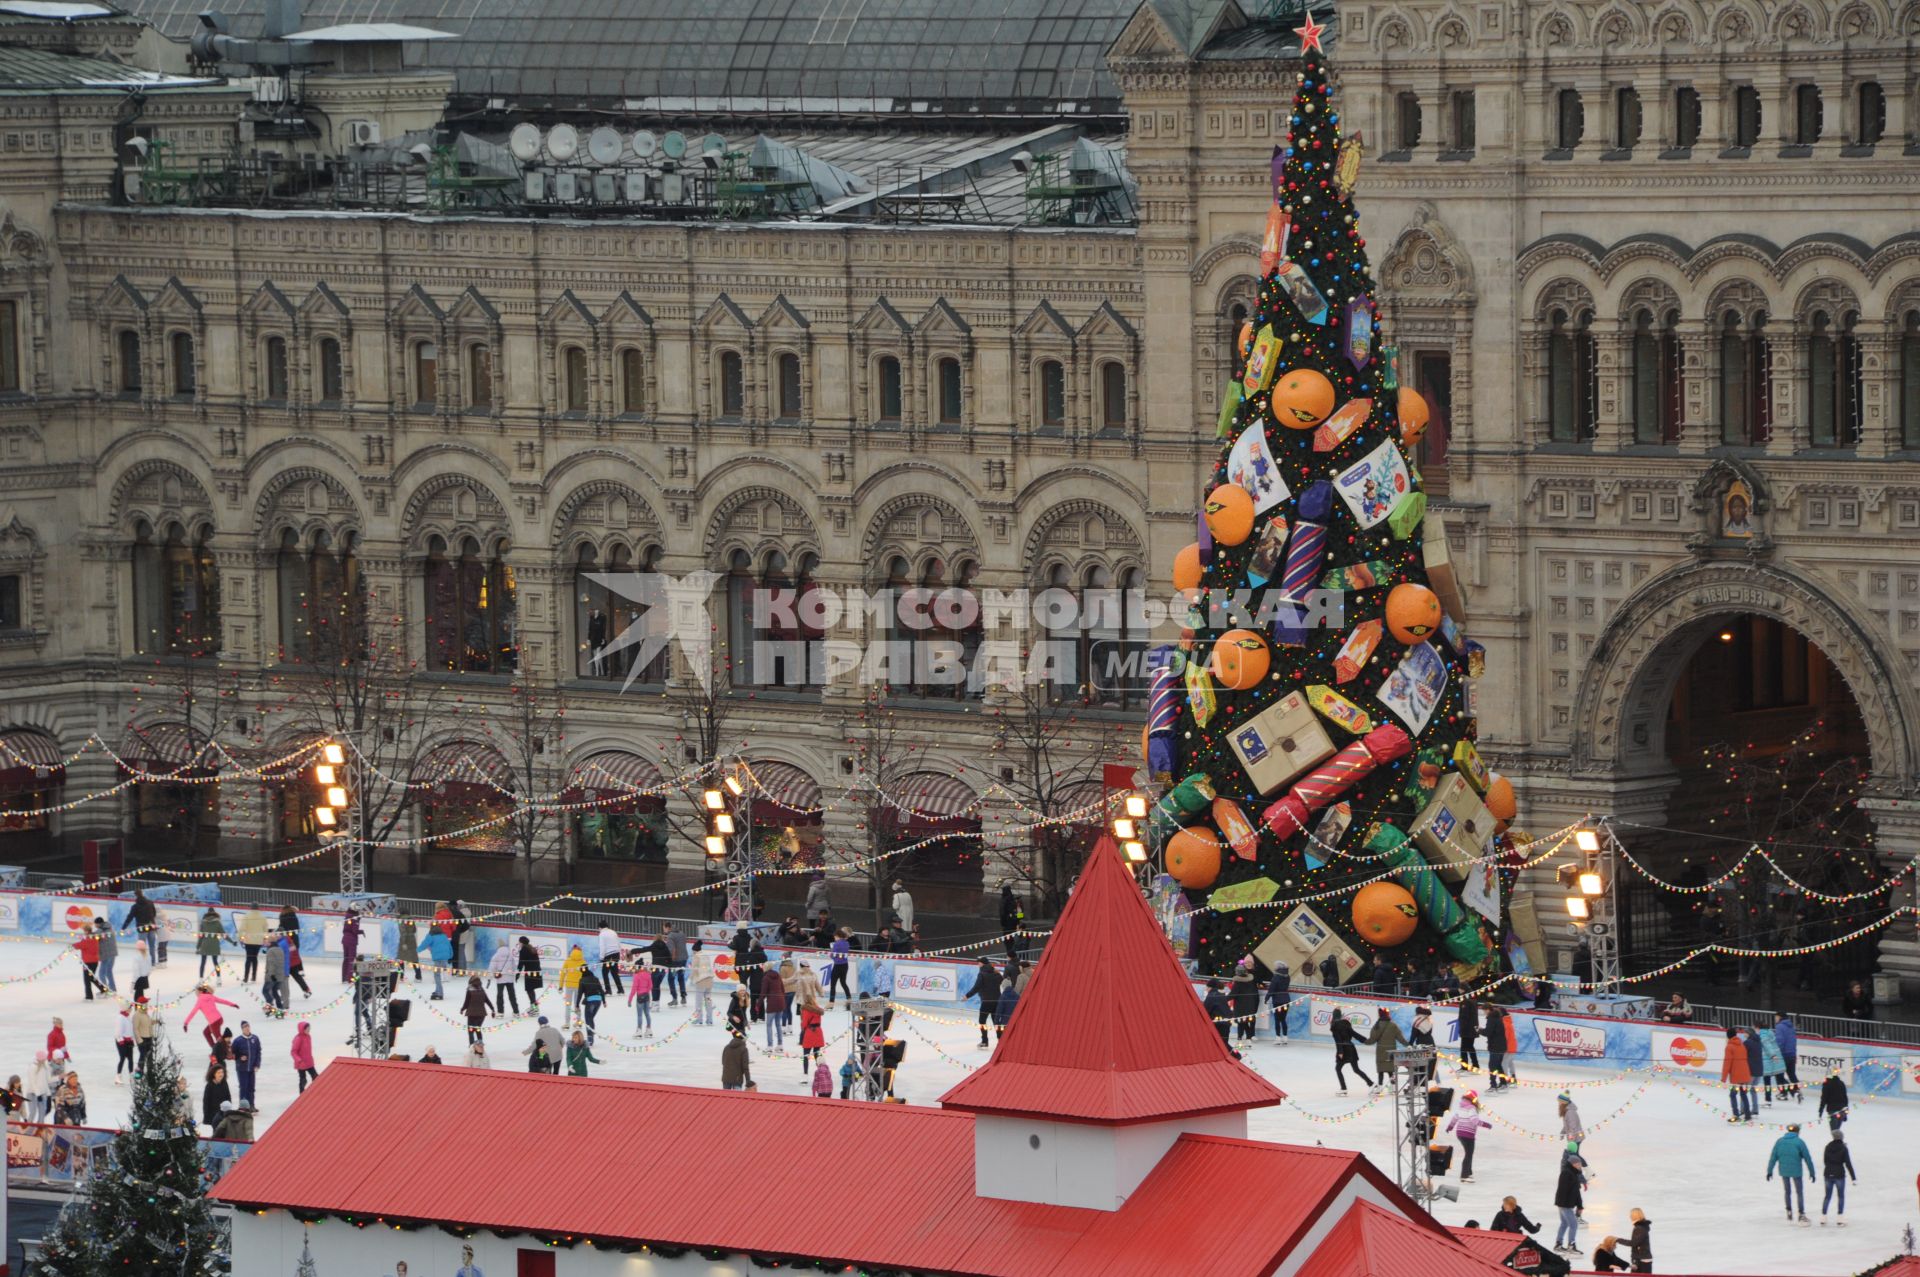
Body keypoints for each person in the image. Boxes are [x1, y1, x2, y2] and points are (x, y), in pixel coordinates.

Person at [1766, 1122, 1816, 1225]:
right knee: (1799, 1192)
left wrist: (1769, 1171)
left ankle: (1789, 1211)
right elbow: (1807, 1158)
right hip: (1796, 1171)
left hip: (1784, 1170)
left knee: (1787, 1191)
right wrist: (1812, 1172)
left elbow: (1773, 1157)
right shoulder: (1799, 1142)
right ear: (1797, 1131)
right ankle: (1801, 1213)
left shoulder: (1779, 1141)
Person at [1446, 1091, 1489, 1182]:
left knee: (1468, 1153)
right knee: (1468, 1154)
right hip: (1468, 1135)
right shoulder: (1471, 1108)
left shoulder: (1461, 1107)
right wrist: (1486, 1124)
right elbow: (1474, 1121)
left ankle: (1468, 1173)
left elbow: (1455, 1118)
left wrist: (1450, 1127)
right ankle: (1464, 1176)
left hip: (1460, 1134)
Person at [182, 983, 240, 1050]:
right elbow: (222, 1001)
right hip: (219, 1019)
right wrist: (233, 1004)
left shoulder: (200, 1000)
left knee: (219, 1040)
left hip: (214, 1023)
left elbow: (193, 1013)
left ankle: (227, 1051)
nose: (196, 994)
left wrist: (186, 1023)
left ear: (199, 991)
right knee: (206, 1032)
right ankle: (215, 1048)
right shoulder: (210, 996)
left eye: (196, 992)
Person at [1330, 1007, 1373, 1094]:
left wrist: (1340, 1052)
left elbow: (1338, 1040)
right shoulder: (1346, 1024)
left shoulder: (1334, 1026)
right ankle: (1372, 1084)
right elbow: (1354, 1034)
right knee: (1356, 1069)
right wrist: (1364, 1040)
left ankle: (1343, 1088)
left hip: (1344, 1050)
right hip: (1351, 1048)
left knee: (1338, 1068)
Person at [1554, 1146, 1588, 1254]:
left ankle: (1558, 1244)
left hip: (1564, 1204)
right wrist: (1566, 1205)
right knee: (1573, 1224)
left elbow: (1576, 1192)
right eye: (1578, 1164)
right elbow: (1562, 1191)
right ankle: (1571, 1246)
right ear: (1573, 1164)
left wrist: (1580, 1206)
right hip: (1565, 1204)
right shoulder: (1566, 1173)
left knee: (1564, 1223)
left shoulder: (1574, 1173)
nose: (1580, 1166)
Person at [1821, 1130, 1856, 1225]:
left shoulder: (1827, 1147)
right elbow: (1848, 1163)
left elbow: (1825, 1161)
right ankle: (1840, 1219)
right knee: (1840, 1196)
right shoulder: (1843, 1148)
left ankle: (1823, 1218)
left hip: (1828, 1174)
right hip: (1839, 1174)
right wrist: (1853, 1177)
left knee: (1827, 1196)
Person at [1366, 1006, 1405, 1091]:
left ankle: (1379, 1087)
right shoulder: (1393, 1025)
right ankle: (1393, 1087)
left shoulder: (1377, 1026)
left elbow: (1372, 1040)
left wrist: (1364, 1041)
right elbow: (1400, 1038)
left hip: (1380, 1051)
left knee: (1381, 1070)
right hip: (1390, 1052)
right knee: (1391, 1070)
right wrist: (1408, 1044)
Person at [1721, 1026, 1755, 1122]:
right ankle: (1747, 1114)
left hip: (1736, 1076)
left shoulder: (1729, 1047)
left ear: (1728, 1036)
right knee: (1743, 1094)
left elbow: (1727, 1063)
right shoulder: (1741, 1045)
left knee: (1733, 1095)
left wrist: (1723, 1078)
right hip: (1745, 1074)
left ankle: (1736, 1115)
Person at [972, 958, 1004, 1049]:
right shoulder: (995, 973)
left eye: (978, 963)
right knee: (996, 1022)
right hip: (996, 1001)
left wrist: (967, 995)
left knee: (982, 1021)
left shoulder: (981, 974)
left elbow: (976, 987)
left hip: (986, 1002)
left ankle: (985, 1041)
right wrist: (998, 973)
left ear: (982, 964)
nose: (978, 964)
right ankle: (1001, 1041)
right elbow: (1002, 981)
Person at [232, 1020, 262, 1107]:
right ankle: (243, 1106)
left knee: (251, 1088)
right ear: (242, 1029)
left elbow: (258, 1052)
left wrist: (257, 1064)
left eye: (248, 1026)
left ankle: (251, 1105)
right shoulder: (238, 1040)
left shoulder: (255, 1039)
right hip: (242, 1068)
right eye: (245, 1027)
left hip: (252, 1068)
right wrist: (240, 1057)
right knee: (243, 1087)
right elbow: (232, 1054)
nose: (247, 1028)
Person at [421, 922, 453, 1001]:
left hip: (438, 958)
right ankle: (437, 990)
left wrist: (416, 951)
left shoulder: (431, 935)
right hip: (445, 957)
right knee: (439, 974)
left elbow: (424, 944)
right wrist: (451, 955)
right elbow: (449, 946)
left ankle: (440, 993)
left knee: (437, 975)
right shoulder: (443, 935)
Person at [1230, 962, 1260, 1043]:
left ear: (1237, 972)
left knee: (1241, 1022)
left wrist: (1222, 999)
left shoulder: (1238, 983)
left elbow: (1232, 995)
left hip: (1240, 1006)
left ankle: (1239, 1039)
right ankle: (1248, 1039)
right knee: (1245, 1022)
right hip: (1250, 1005)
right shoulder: (1250, 981)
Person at [488, 939, 519, 1015]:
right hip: (510, 978)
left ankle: (500, 1012)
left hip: (500, 979)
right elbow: (514, 966)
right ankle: (516, 1012)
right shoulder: (510, 955)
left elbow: (491, 968)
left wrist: (489, 978)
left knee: (500, 995)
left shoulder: (496, 956)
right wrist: (514, 974)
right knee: (512, 995)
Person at [1774, 1011, 1801, 1100]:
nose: (1775, 1019)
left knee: (1779, 1074)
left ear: (1780, 1017)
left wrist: (1776, 1053)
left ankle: (1783, 1093)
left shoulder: (1780, 1027)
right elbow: (1793, 1041)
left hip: (1783, 1054)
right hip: (1792, 1054)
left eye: (1776, 1017)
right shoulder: (1791, 1027)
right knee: (1791, 1074)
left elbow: (1780, 1041)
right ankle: (1797, 1091)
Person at [196, 906, 226, 982]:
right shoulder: (218, 922)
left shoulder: (203, 922)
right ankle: (219, 979)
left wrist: (197, 947)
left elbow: (201, 936)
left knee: (203, 962)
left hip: (205, 945)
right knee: (215, 962)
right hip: (214, 945)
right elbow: (224, 935)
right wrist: (232, 942)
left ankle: (201, 979)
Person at [558, 944, 587, 1027]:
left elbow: (563, 974)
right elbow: (586, 975)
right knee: (577, 1004)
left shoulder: (568, 961)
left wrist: (560, 986)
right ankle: (579, 1022)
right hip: (579, 986)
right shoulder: (583, 962)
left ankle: (567, 1023)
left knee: (568, 1004)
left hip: (569, 985)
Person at [762, 958, 788, 1048]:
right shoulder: (778, 975)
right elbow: (783, 989)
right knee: (778, 1024)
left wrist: (758, 1004)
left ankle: (770, 1046)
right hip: (780, 1002)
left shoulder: (766, 978)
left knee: (769, 1025)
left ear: (766, 967)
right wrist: (782, 1000)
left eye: (763, 966)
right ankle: (780, 1045)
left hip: (772, 1004)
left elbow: (763, 993)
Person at [690, 939, 716, 1025]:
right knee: (708, 1001)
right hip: (709, 981)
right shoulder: (706, 955)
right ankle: (709, 1020)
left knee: (699, 1002)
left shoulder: (696, 957)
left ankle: (699, 1019)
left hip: (701, 981)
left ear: (695, 950)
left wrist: (691, 979)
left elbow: (694, 970)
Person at [74, 923, 103, 999]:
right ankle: (103, 989)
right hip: (95, 961)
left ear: (87, 931)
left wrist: (72, 945)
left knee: (87, 979)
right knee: (91, 978)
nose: (83, 932)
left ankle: (89, 996)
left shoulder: (87, 939)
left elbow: (81, 945)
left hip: (88, 963)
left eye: (84, 930)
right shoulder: (95, 938)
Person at [1267, 961, 1293, 1043]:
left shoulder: (1276, 977)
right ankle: (1285, 1037)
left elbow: (1271, 989)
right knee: (1283, 1019)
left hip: (1277, 1000)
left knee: (1277, 1019)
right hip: (1286, 999)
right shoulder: (1288, 976)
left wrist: (1266, 998)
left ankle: (1278, 1037)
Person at [261, 934, 288, 1013]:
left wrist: (271, 975)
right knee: (275, 991)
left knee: (265, 991)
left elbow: (272, 963)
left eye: (267, 941)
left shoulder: (270, 951)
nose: (266, 943)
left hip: (272, 976)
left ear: (270, 942)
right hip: (280, 975)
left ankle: (269, 1007)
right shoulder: (280, 949)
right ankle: (280, 1008)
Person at [799, 996, 826, 1076]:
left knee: (806, 1056)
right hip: (818, 1033)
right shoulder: (818, 1009)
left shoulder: (806, 1010)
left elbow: (804, 1023)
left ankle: (805, 1075)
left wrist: (802, 1028)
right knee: (817, 1055)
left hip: (809, 1033)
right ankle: (821, 1073)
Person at [596, 919, 625, 994]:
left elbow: (602, 946)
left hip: (608, 955)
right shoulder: (613, 932)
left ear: (600, 927)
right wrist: (618, 953)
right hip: (616, 954)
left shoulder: (602, 934)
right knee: (615, 972)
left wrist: (601, 958)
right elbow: (618, 944)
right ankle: (620, 989)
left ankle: (608, 990)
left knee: (605, 972)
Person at [1817, 1067, 1850, 1132]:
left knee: (1834, 1132)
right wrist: (1845, 1112)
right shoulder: (1841, 1083)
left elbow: (1824, 1099)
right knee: (1837, 1131)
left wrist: (1820, 1111)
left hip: (1833, 1111)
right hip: (1842, 1111)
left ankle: (1837, 1142)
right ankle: (1838, 1141)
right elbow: (1845, 1098)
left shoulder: (1827, 1084)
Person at [461, 974, 490, 1045]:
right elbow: (487, 1000)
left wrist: (462, 1009)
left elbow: (466, 1002)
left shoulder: (469, 989)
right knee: (477, 1029)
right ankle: (480, 1045)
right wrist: (492, 1009)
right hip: (482, 1014)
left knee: (471, 1031)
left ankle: (472, 1046)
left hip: (472, 1014)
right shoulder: (481, 989)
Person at [628, 956, 654, 1036]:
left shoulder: (637, 976)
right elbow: (651, 986)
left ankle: (639, 1030)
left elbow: (634, 989)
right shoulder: (648, 974)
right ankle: (649, 1029)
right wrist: (646, 991)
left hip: (640, 997)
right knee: (647, 1013)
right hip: (647, 996)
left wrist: (630, 1000)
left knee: (639, 1015)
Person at [516, 936, 543, 1011]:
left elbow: (521, 963)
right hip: (536, 971)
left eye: (519, 942)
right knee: (531, 989)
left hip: (530, 972)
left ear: (522, 942)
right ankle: (534, 1006)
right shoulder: (532, 948)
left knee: (529, 989)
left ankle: (534, 1007)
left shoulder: (524, 950)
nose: (519, 943)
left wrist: (518, 974)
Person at [1202, 979, 1232, 1046]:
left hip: (1218, 1023)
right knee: (1224, 1044)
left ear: (1210, 987)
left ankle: (1236, 1056)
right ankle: (1235, 1055)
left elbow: (1205, 1011)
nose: (1206, 988)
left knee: (1221, 1045)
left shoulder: (1211, 996)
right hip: (1226, 1022)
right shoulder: (1220, 995)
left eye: (1207, 986)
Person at [291, 1021, 318, 1092]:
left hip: (309, 1062)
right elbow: (293, 1052)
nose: (309, 1030)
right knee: (303, 1080)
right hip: (301, 1063)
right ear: (302, 1029)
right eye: (307, 1029)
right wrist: (299, 1060)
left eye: (309, 1028)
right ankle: (302, 1094)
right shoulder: (298, 1038)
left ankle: (314, 1091)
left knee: (316, 1077)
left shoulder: (308, 1036)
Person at [202, 1063, 231, 1129]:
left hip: (223, 1113)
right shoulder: (209, 1086)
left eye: (222, 1072)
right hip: (213, 1115)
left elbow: (228, 1098)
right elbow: (206, 1102)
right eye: (218, 1072)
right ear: (214, 1074)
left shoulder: (224, 1083)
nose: (221, 1074)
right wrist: (206, 1117)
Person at [828, 929, 853, 1004]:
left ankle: (831, 1002)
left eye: (835, 937)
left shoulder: (836, 944)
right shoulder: (847, 943)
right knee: (843, 982)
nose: (834, 939)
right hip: (845, 965)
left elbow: (832, 955)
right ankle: (849, 999)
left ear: (837, 936)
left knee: (833, 985)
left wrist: (831, 951)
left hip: (837, 966)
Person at [24, 1051, 51, 1121]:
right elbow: (32, 1082)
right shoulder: (33, 1067)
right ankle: (28, 1127)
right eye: (44, 1058)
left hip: (43, 1093)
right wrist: (38, 1094)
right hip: (32, 1093)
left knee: (42, 1112)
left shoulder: (45, 1066)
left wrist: (48, 1094)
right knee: (33, 1112)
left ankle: (40, 1128)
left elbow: (47, 1081)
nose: (45, 1060)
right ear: (40, 1059)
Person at [132, 996, 156, 1072]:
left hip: (149, 1037)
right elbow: (135, 1028)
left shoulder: (145, 1013)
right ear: (142, 1005)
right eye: (146, 1003)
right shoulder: (137, 1015)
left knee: (149, 1056)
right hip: (142, 1039)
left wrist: (156, 1021)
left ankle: (150, 1070)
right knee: (143, 1055)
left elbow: (148, 1022)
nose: (147, 1005)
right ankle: (139, 1071)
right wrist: (139, 1040)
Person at [93, 917, 118, 992]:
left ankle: (105, 990)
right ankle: (113, 989)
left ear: (98, 924)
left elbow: (92, 937)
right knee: (108, 972)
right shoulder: (110, 928)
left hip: (106, 954)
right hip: (113, 953)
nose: (95, 925)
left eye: (95, 924)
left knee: (101, 974)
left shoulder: (100, 930)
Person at [113, 1004, 136, 1084]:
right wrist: (121, 1040)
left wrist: (132, 1039)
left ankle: (131, 1076)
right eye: (130, 1008)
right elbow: (118, 1031)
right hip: (121, 1041)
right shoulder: (120, 1018)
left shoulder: (127, 1017)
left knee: (130, 1059)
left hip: (129, 1041)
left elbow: (130, 1029)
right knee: (122, 1058)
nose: (131, 1009)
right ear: (126, 1009)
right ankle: (118, 1076)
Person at [1456, 996, 1479, 1071]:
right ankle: (1475, 1065)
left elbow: (1464, 1017)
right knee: (1470, 1047)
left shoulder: (1465, 1002)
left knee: (1464, 1048)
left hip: (1467, 1030)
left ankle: (1465, 1066)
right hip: (1471, 1029)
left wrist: (1461, 1028)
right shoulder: (1473, 1001)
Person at [339, 908, 362, 983]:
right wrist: (361, 931)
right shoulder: (355, 919)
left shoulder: (347, 917)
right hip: (351, 941)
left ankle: (344, 978)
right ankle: (349, 978)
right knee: (351, 960)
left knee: (346, 959)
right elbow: (354, 930)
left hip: (345, 940)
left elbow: (345, 929)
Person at [1628, 1207, 1652, 1273]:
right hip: (1641, 1258)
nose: (1630, 1216)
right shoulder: (1641, 1226)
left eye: (1631, 1214)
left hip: (1641, 1259)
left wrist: (1617, 1240)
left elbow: (1634, 1243)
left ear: (1635, 1215)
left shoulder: (1640, 1228)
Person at [396, 915, 420, 981]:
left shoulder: (401, 920)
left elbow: (403, 933)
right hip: (412, 940)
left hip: (405, 941)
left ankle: (400, 977)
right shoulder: (411, 919)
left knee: (400, 959)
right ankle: (418, 976)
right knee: (414, 959)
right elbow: (414, 930)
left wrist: (403, 943)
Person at [130, 937, 153, 1002]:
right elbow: (150, 968)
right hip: (144, 978)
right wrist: (146, 975)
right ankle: (142, 1007)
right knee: (141, 993)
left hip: (138, 979)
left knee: (137, 996)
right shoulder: (148, 956)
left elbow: (136, 971)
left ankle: (138, 1009)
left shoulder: (137, 957)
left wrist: (133, 982)